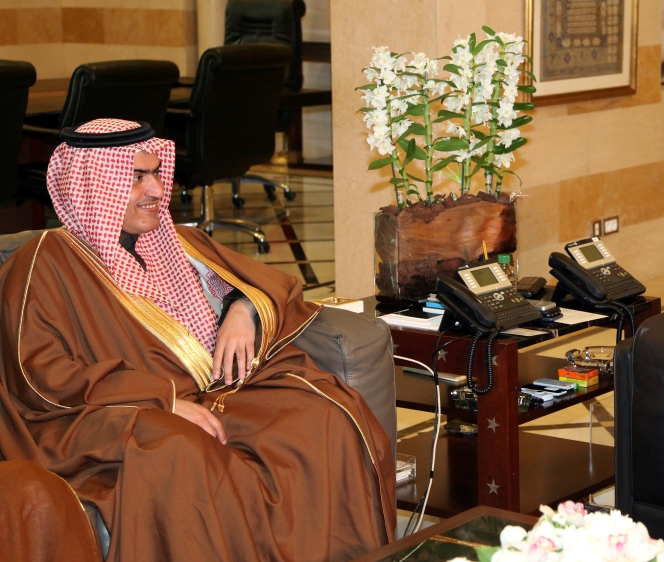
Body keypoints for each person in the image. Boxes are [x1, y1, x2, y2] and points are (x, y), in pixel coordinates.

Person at [0, 119, 396, 561]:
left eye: (156, 173)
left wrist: (242, 311)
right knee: (179, 452)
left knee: (324, 415)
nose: (157, 190)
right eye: (136, 177)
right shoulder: (44, 261)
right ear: (93, 185)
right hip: (103, 413)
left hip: (211, 391)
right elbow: (40, 377)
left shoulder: (177, 240)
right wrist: (163, 401)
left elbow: (267, 284)